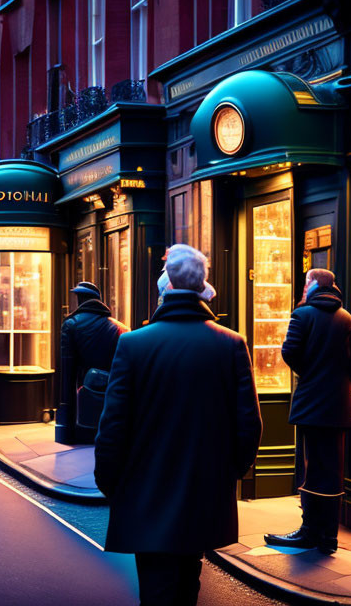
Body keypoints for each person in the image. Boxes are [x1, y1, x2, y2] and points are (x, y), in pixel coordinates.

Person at [95, 245, 262, 605]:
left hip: (145, 486)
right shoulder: (231, 344)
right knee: (189, 579)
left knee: (156, 585)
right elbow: (249, 424)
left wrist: (108, 480)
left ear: (167, 283)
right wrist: (230, 473)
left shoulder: (133, 344)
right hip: (203, 486)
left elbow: (113, 425)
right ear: (202, 283)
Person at [265, 268, 351, 555]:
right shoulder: (347, 317)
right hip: (338, 405)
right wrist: (339, 381)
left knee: (309, 468)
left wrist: (310, 375)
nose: (303, 286)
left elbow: (289, 352)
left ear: (313, 285)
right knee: (332, 470)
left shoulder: (302, 315)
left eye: (306, 281)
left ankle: (308, 531)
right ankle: (328, 537)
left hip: (311, 404)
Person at [57, 281, 128, 443]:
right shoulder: (117, 326)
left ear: (81, 299)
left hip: (82, 391)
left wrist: (67, 424)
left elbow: (68, 371)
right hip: (110, 391)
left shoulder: (71, 324)